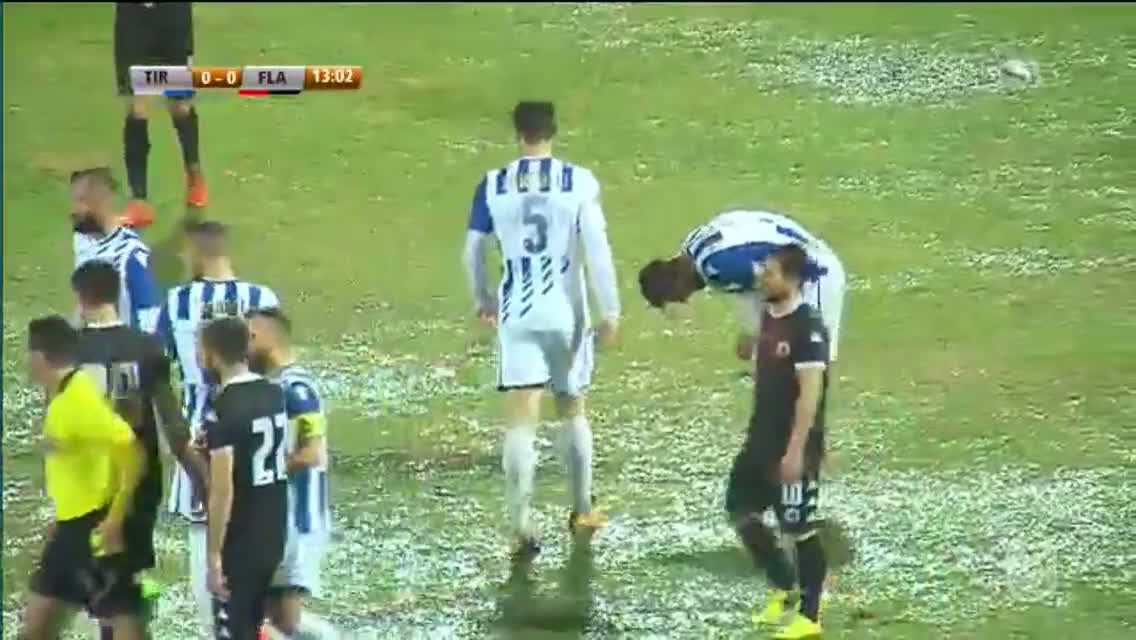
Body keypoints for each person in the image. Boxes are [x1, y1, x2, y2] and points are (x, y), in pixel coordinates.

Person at [461, 100, 621, 556]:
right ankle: (582, 508)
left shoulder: (492, 184)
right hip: (566, 312)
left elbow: (471, 251)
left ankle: (520, 525)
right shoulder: (579, 182)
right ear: (553, 131)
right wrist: (611, 311)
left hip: (518, 310)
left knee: (521, 413)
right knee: (571, 405)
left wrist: (483, 299)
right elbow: (597, 248)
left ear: (518, 133)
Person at [71, 260, 209, 640]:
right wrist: (202, 479)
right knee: (121, 581)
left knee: (105, 590)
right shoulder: (146, 347)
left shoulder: (70, 352)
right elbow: (174, 425)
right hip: (140, 482)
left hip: (89, 485)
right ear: (117, 294)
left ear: (80, 298)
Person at [154, 220, 280, 632]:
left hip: (203, 447)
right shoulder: (262, 299)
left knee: (212, 584)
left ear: (194, 253)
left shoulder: (177, 303)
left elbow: (156, 372)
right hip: (262, 444)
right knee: (257, 586)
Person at [725, 245, 832, 639]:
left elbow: (810, 395)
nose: (762, 278)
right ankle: (784, 587)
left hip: (792, 445)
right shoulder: (769, 316)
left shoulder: (809, 327)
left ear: (793, 280)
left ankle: (810, 615)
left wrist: (796, 451)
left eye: (770, 273)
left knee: (798, 527)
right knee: (740, 510)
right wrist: (752, 348)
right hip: (760, 440)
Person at [20, 315, 147, 640]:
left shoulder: (77, 401)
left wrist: (115, 518)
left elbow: (132, 449)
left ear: (40, 357)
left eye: (29, 352)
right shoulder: (68, 394)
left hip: (93, 529)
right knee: (41, 625)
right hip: (72, 527)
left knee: (119, 617)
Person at [637, 209, 847, 363]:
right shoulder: (693, 244)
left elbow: (773, 282)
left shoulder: (717, 269)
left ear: (676, 283)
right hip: (802, 248)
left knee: (811, 360)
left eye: (678, 296)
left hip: (815, 272)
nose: (686, 298)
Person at [247, 308, 339, 639]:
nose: (243, 348)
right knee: (275, 617)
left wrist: (258, 471)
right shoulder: (272, 386)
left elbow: (312, 452)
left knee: (285, 621)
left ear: (269, 337)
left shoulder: (296, 389)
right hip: (278, 522)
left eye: (249, 337)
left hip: (297, 520)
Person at [199, 318, 289, 640]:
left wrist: (214, 556)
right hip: (273, 530)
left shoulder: (223, 407)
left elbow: (223, 490)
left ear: (212, 354)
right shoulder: (273, 392)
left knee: (235, 630)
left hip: (241, 537)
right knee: (253, 623)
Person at [114, 1, 207, 227]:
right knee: (136, 106)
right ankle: (139, 201)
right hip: (133, 18)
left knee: (179, 105)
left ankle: (195, 175)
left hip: (172, 18)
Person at [70, 168, 161, 333]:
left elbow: (149, 321)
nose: (74, 210)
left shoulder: (130, 254)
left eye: (80, 201)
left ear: (101, 203)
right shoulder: (82, 241)